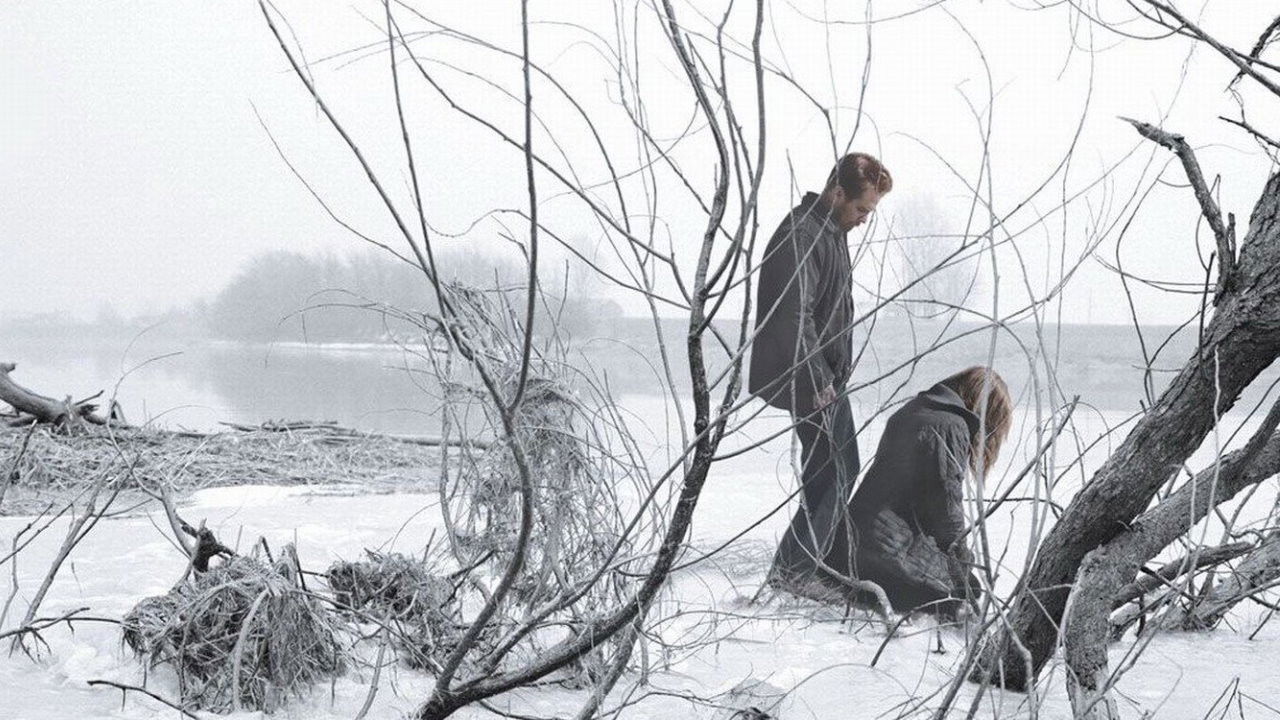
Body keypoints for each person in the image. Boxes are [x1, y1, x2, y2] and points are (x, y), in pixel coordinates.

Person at [748, 153, 892, 595]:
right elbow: (794, 317)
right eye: (862, 208)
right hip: (809, 377)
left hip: (823, 375)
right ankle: (795, 573)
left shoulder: (830, 231)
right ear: (837, 193)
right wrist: (819, 381)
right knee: (837, 467)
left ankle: (798, 568)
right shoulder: (802, 235)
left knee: (832, 468)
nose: (865, 219)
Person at [823, 366, 1014, 615]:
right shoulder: (950, 425)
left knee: (960, 585)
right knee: (963, 594)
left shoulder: (914, 410)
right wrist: (963, 569)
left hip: (850, 542)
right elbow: (946, 510)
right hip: (885, 551)